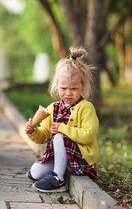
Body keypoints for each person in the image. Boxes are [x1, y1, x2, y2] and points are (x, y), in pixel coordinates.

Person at [25, 47, 99, 193]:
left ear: (83, 86)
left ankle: (58, 178)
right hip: (59, 154)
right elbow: (44, 135)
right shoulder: (52, 108)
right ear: (57, 86)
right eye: (63, 88)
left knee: (59, 137)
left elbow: (88, 135)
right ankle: (59, 167)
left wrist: (62, 128)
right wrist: (33, 131)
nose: (68, 93)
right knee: (34, 173)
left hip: (80, 157)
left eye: (74, 88)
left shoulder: (86, 108)